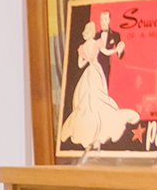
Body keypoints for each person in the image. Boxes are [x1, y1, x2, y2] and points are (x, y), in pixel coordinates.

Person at [58, 11, 138, 151]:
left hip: (89, 72)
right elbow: (106, 52)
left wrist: (89, 59)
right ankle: (95, 136)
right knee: (96, 100)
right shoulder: (96, 43)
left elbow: (80, 65)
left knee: (89, 101)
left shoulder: (83, 48)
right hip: (96, 71)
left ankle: (92, 135)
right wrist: (115, 50)